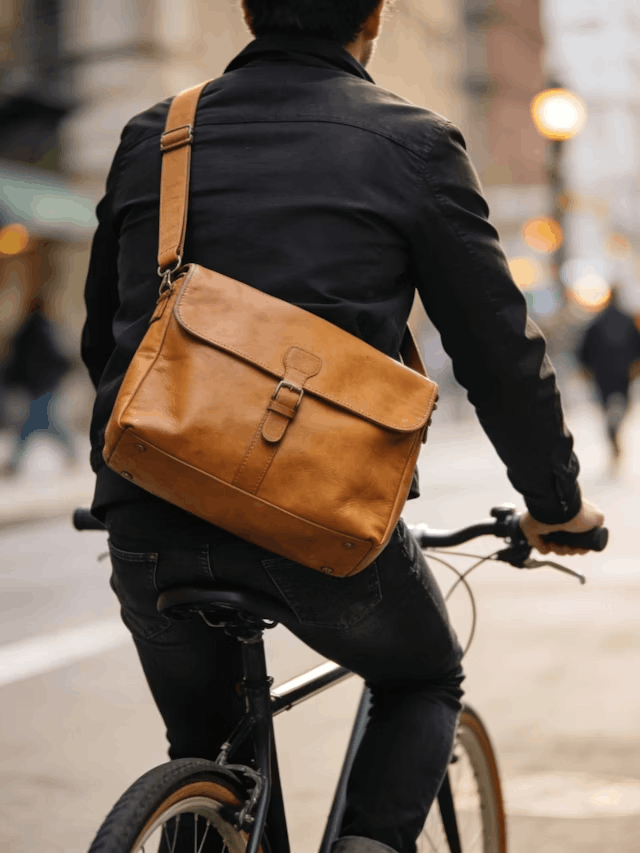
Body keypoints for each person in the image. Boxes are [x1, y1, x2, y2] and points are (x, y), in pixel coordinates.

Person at [81, 2, 604, 851]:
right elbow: (498, 352)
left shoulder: (159, 135)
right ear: (376, 16)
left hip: (151, 510)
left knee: (206, 748)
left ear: (249, 9)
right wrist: (556, 502)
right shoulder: (413, 143)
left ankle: (204, 806)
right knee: (426, 676)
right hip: (318, 517)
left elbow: (105, 330)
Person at [1, 296, 74, 476]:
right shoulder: (43, 331)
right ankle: (71, 455)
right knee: (44, 424)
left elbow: (15, 361)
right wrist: (66, 367)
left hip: (35, 388)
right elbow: (54, 357)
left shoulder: (25, 332)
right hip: (44, 386)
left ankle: (15, 463)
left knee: (36, 425)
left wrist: (10, 379)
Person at [577, 285, 640, 470]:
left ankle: (613, 434)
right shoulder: (629, 320)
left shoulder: (596, 321)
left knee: (607, 409)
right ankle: (616, 429)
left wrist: (585, 369)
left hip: (602, 374)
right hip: (623, 373)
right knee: (622, 407)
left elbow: (584, 349)